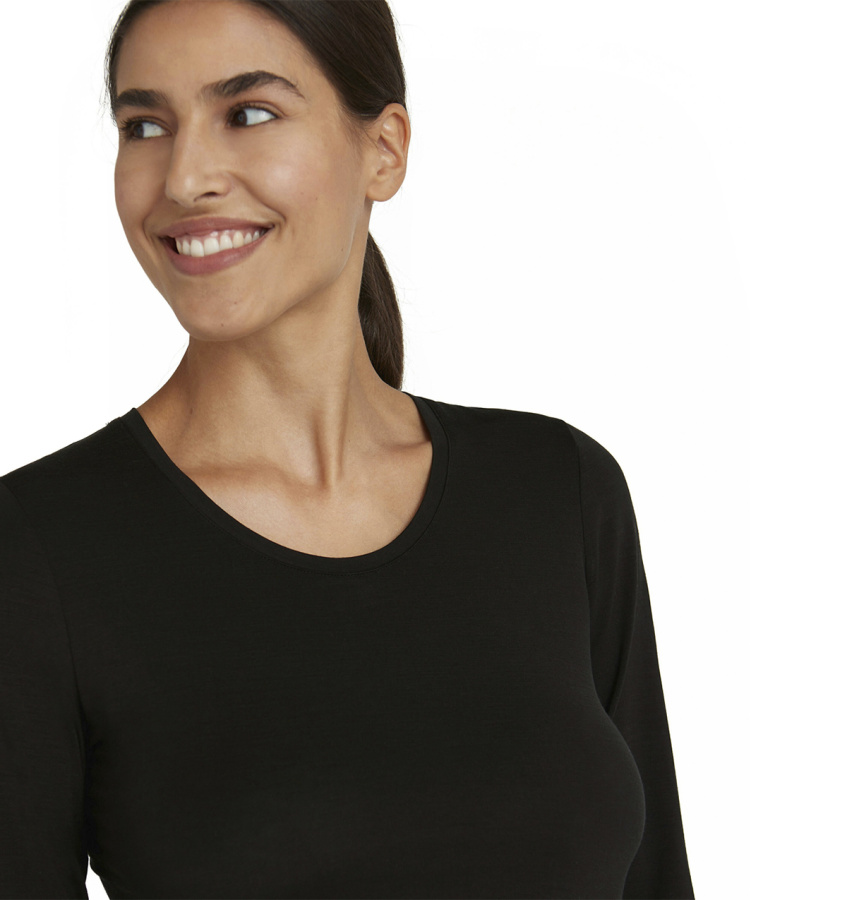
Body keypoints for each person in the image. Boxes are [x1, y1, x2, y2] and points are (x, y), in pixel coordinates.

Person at [0, 1, 695, 897]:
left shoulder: (556, 491)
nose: (185, 176)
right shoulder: (41, 548)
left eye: (248, 112)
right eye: (145, 126)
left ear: (384, 150)